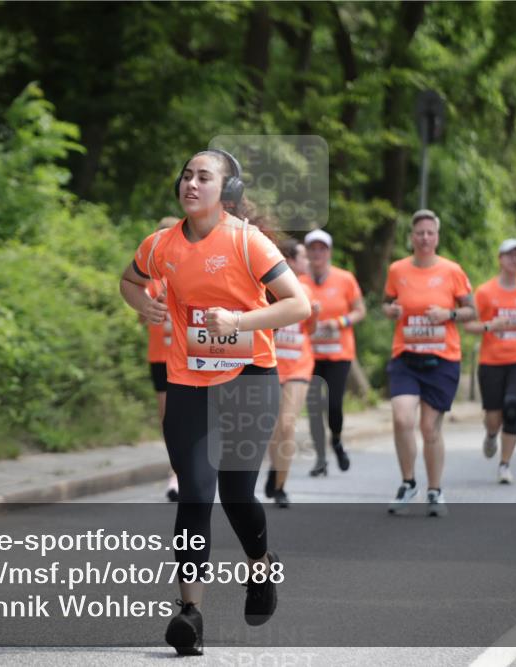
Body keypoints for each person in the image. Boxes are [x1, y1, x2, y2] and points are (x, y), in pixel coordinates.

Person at [119, 149, 309, 655]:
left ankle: (261, 567)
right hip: (188, 380)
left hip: (249, 377)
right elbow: (129, 281)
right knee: (196, 494)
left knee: (237, 494)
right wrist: (147, 305)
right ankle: (190, 614)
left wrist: (239, 322)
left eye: (204, 176)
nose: (191, 183)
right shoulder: (161, 245)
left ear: (227, 191)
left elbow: (298, 304)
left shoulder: (249, 242)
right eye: (186, 174)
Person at [384, 210, 475, 516]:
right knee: (401, 418)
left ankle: (435, 490)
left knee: (429, 429)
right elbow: (387, 303)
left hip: (441, 359)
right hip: (406, 356)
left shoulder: (452, 271)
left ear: (437, 237)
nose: (424, 238)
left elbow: (471, 311)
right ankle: (409, 483)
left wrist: (447, 315)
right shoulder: (398, 270)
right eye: (419, 232)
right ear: (411, 237)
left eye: (429, 233)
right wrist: (391, 311)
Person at [464, 239, 516, 484]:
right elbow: (469, 326)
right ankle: (490, 434)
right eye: (509, 255)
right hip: (492, 360)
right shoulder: (485, 292)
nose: (514, 259)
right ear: (500, 259)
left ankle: (505, 464)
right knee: (494, 416)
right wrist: (489, 325)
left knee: (513, 406)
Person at [300, 229, 365, 476]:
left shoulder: (345, 279)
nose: (317, 253)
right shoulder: (299, 281)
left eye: (321, 249)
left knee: (334, 404)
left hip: (339, 353)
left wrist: (338, 322)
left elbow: (360, 311)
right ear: (306, 253)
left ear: (329, 252)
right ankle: (320, 459)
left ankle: (336, 440)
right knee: (314, 406)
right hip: (309, 354)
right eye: (312, 249)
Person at [264, 238, 319, 508]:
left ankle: (280, 486)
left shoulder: (306, 288)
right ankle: (276, 468)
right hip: (271, 363)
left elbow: (311, 329)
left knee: (286, 424)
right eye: (303, 257)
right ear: (288, 260)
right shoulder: (265, 286)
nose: (307, 261)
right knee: (272, 426)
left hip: (299, 364)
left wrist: (316, 316)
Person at [143, 216, 181, 501]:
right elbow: (142, 314)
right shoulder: (151, 279)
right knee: (169, 419)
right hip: (160, 358)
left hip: (188, 358)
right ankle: (176, 472)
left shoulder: (189, 271)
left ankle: (185, 471)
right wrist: (154, 303)